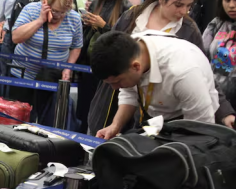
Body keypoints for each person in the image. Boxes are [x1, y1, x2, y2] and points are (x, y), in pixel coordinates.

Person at [87, 0, 236, 133]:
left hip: (172, 117)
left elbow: (201, 121)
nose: (183, 12)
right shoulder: (133, 17)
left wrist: (225, 111)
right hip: (134, 107)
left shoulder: (188, 37)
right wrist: (116, 124)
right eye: (178, 5)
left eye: (188, 6)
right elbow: (120, 73)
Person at [91, 31, 219, 139]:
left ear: (136, 66)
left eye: (117, 82)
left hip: (190, 121)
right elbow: (129, 92)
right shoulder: (130, 50)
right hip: (154, 122)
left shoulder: (182, 72)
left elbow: (201, 130)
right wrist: (115, 126)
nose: (115, 88)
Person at [8, 0, 83, 123]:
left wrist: (68, 67)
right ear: (45, 3)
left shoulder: (74, 18)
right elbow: (16, 37)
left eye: (62, 12)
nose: (57, 15)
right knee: (20, 119)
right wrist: (40, 20)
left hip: (52, 77)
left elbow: (77, 46)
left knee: (48, 119)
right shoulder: (31, 9)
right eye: (54, 11)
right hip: (24, 75)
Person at [77, 0, 129, 133]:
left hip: (109, 65)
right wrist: (87, 23)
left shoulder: (126, 9)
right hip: (88, 61)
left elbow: (123, 40)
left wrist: (104, 26)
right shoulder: (96, 3)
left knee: (100, 111)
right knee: (83, 108)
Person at [202, 0, 236, 120]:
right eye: (227, 0)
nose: (231, 5)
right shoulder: (216, 24)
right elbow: (201, 54)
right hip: (212, 96)